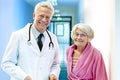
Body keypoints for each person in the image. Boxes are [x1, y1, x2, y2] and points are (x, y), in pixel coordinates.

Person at [1, 1, 60, 80]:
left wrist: (53, 74)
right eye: (41, 16)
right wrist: (24, 77)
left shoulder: (53, 38)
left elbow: (55, 64)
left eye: (48, 17)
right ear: (34, 15)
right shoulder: (18, 35)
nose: (44, 20)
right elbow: (7, 63)